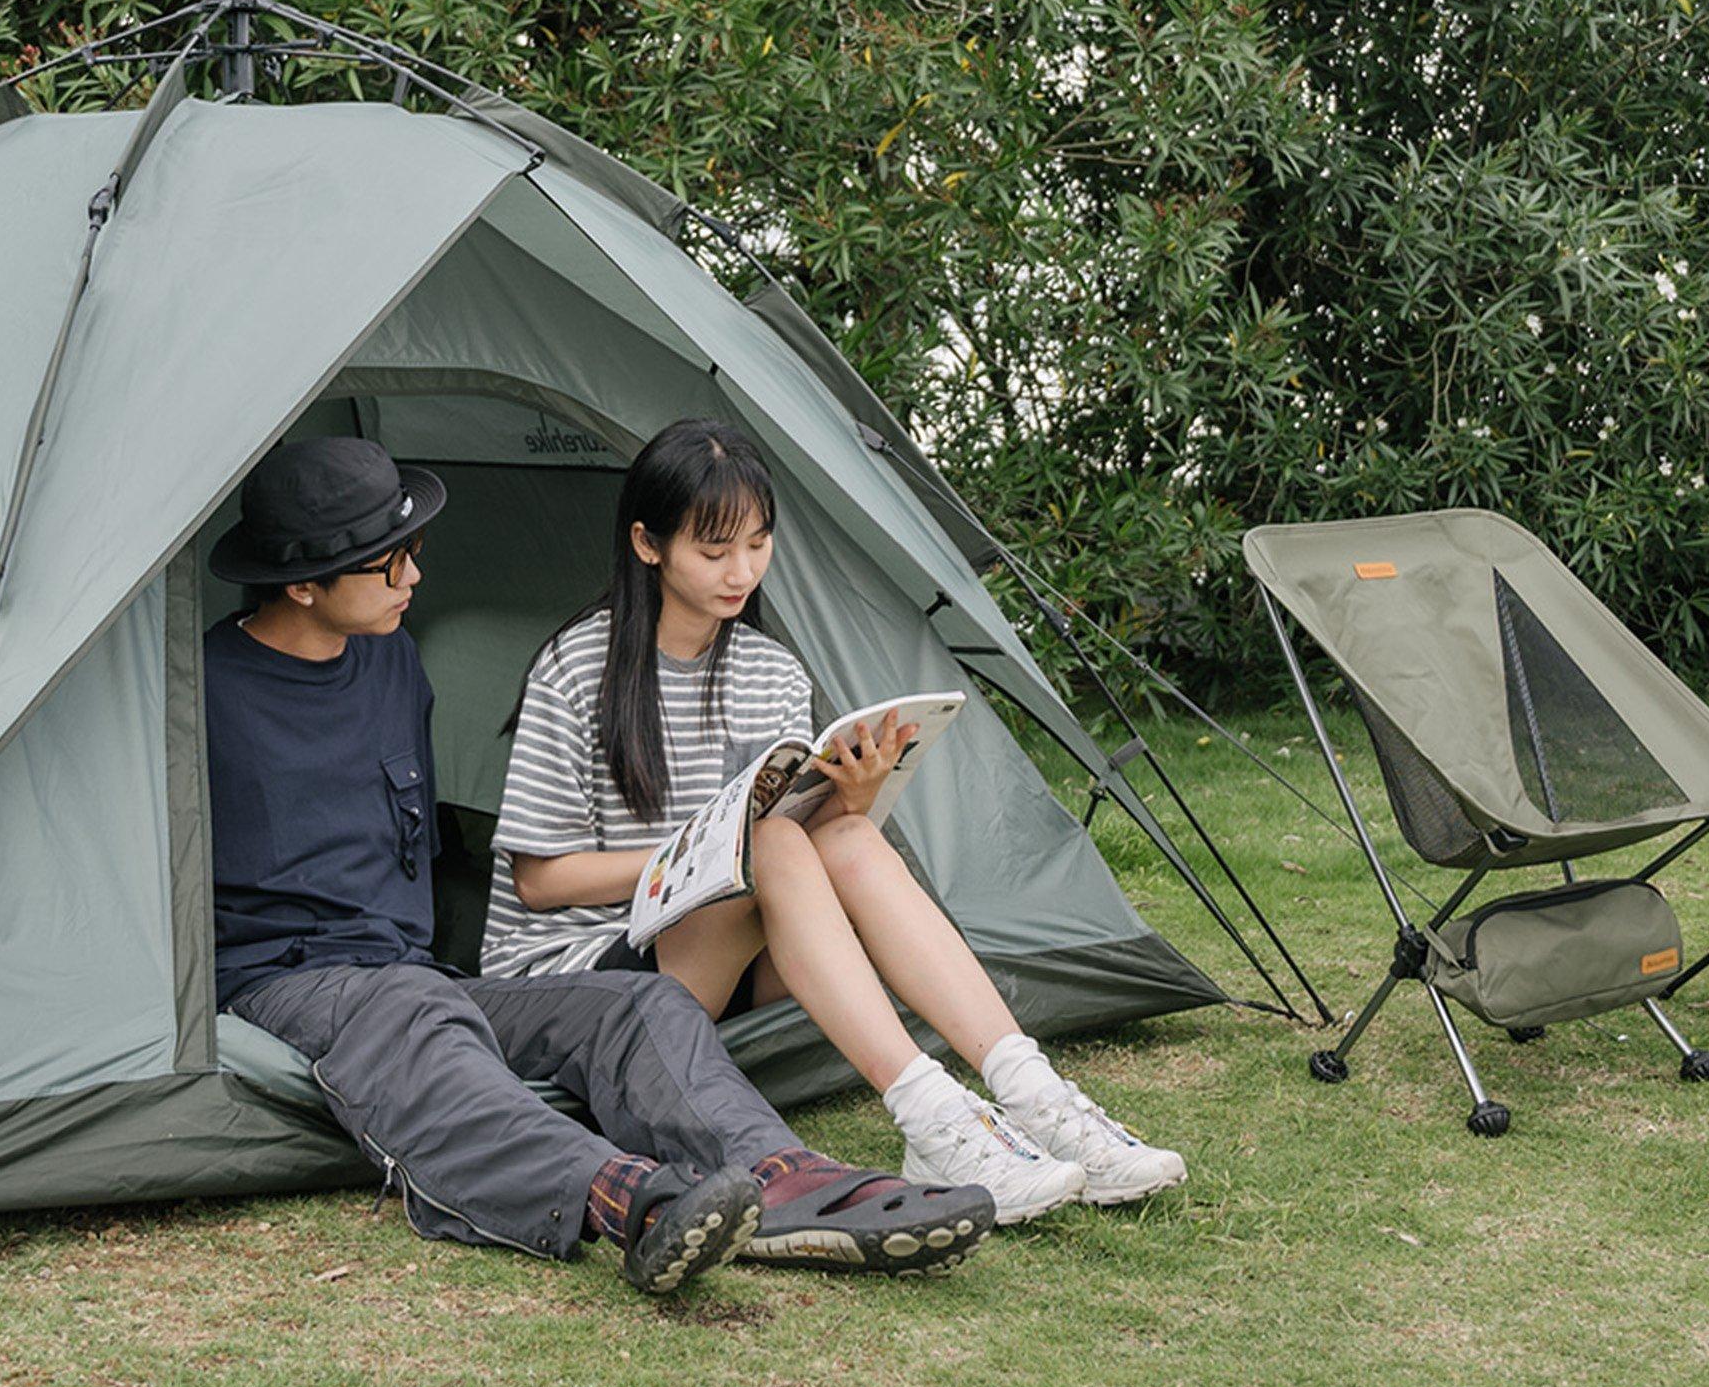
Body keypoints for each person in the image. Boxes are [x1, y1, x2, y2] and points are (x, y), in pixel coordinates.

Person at [205, 435, 994, 1293]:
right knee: (417, 1022)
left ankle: (786, 1179)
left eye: (414, 553)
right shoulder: (204, 687)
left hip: (416, 968)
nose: (415, 580)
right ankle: (634, 1203)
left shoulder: (391, 660)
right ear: (301, 583)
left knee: (634, 1000)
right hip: (289, 977)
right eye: (389, 565)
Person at [482, 418, 1188, 1220]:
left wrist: (850, 800)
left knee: (838, 834)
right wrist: (702, 854)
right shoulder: (578, 665)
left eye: (757, 543)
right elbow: (541, 883)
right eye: (713, 551)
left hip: (726, 949)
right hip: (584, 977)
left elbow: (787, 843)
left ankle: (1035, 1093)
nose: (740, 571)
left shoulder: (768, 670)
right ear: (648, 545)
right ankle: (932, 1114)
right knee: (770, 842)